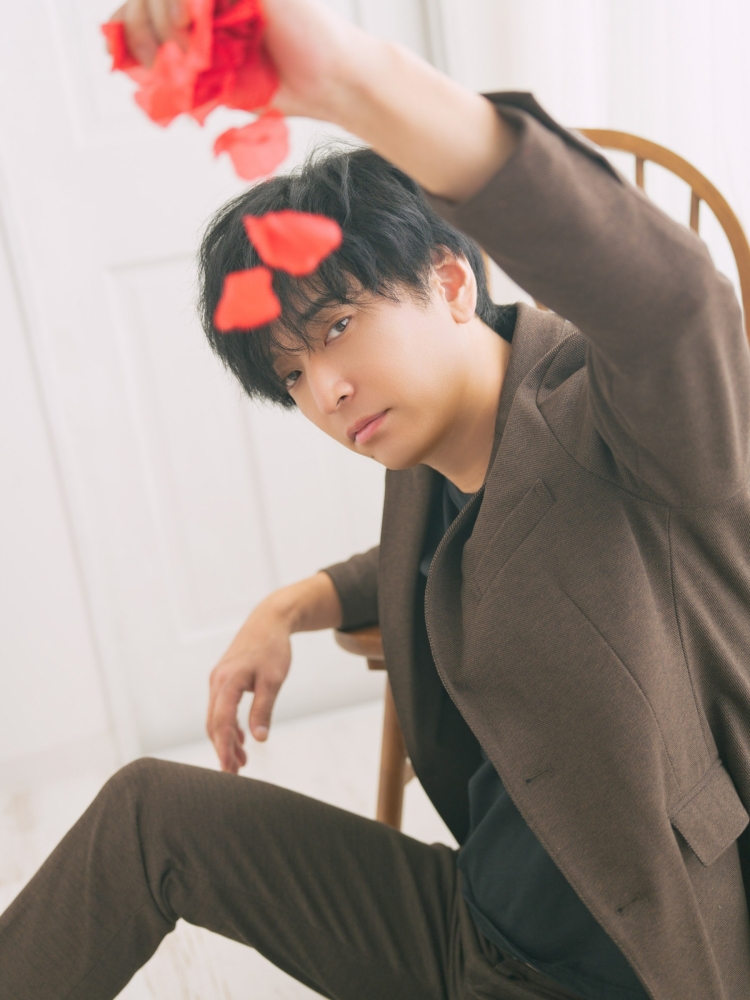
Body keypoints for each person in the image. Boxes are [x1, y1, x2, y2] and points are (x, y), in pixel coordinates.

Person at [2, 0, 750, 998]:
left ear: (452, 282)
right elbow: (455, 563)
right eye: (292, 373)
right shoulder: (428, 460)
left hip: (635, 962)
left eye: (339, 324)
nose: (326, 390)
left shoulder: (630, 424)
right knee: (148, 815)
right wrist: (290, 606)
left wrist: (352, 79)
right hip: (472, 929)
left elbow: (676, 303)